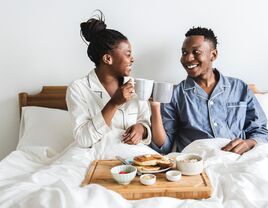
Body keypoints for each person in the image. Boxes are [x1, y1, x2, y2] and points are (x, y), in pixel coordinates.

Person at [150, 27, 268, 155]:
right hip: (197, 164)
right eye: (184, 53)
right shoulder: (174, 95)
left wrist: (248, 143)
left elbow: (261, 131)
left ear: (213, 55)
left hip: (238, 160)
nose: (188, 58)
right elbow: (164, 147)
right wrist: (155, 107)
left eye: (196, 52)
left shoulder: (240, 88)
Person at [66, 11, 151, 150]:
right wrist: (113, 104)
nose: (133, 59)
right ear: (108, 59)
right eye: (128, 54)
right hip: (92, 156)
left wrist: (141, 129)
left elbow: (145, 122)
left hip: (132, 156)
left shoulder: (136, 86)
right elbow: (83, 139)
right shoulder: (78, 88)